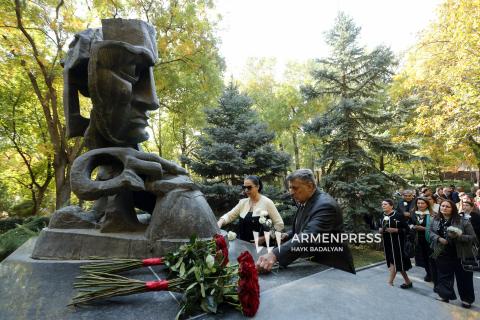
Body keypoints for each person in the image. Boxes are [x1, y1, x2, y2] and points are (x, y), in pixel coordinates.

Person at [256, 169, 355, 274]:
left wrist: (274, 255)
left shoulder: (325, 206)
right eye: (290, 187)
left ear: (310, 186)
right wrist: (287, 235)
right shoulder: (305, 200)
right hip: (317, 267)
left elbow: (308, 236)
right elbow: (303, 228)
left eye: (295, 188)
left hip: (335, 269)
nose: (291, 192)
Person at [430, 200, 477, 308]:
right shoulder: (436, 219)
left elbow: (473, 237)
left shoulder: (463, 221)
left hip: (460, 253)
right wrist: (438, 238)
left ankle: (467, 299)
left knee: (464, 277)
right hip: (441, 252)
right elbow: (431, 232)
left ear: (453, 209)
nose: (444, 208)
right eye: (442, 206)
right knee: (443, 275)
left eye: (447, 206)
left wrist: (458, 236)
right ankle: (444, 295)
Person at [218, 176, 283, 243]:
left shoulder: (267, 202)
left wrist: (264, 238)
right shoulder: (242, 202)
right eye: (244, 187)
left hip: (261, 247)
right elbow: (229, 216)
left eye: (249, 187)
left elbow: (279, 224)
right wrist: (219, 223)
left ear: (257, 187)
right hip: (243, 245)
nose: (246, 190)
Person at [380, 199, 413, 288]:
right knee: (395, 262)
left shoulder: (398, 215)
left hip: (398, 243)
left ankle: (390, 282)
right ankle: (408, 282)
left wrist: (397, 230)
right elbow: (381, 226)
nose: (383, 206)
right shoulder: (382, 215)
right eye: (382, 204)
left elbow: (407, 229)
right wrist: (380, 230)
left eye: (385, 204)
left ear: (391, 206)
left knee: (394, 261)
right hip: (387, 242)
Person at [411, 197, 436, 283]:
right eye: (418, 203)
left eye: (422, 203)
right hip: (418, 240)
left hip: (429, 240)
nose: (420, 205)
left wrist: (424, 228)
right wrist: (413, 227)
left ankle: (433, 274)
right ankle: (428, 273)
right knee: (423, 258)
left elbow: (436, 229)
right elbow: (409, 224)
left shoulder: (433, 214)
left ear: (427, 204)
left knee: (431, 258)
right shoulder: (413, 213)